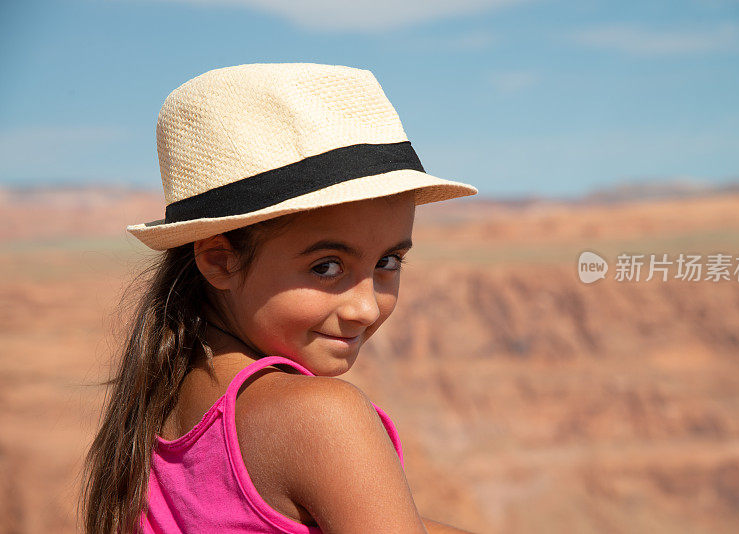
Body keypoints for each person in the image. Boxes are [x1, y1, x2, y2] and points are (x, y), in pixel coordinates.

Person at [79, 63, 479, 533]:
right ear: (220, 261)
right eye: (326, 266)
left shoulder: (152, 414)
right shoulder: (321, 418)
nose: (366, 309)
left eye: (388, 262)